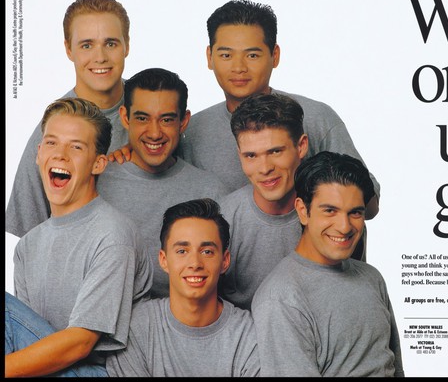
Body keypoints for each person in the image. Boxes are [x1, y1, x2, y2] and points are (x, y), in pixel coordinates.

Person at [179, 0, 381, 220]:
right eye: (226, 55)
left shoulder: (315, 118)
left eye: (252, 55)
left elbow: (369, 208)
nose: (238, 67)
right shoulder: (193, 131)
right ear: (209, 57)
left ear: (275, 55)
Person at [4, 97, 153, 378]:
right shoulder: (28, 246)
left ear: (98, 164)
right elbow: (26, 338)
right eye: (51, 142)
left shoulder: (112, 234)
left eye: (75, 147)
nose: (60, 155)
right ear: (38, 153)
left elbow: (81, 343)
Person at [251, 151, 404, 377]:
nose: (344, 226)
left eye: (355, 213)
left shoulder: (372, 278)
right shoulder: (281, 298)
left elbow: (396, 369)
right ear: (303, 211)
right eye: (330, 211)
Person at [6, 0, 131, 238]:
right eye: (87, 45)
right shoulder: (51, 132)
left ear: (127, 44)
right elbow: (29, 237)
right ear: (68, 49)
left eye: (111, 43)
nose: (100, 57)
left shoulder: (152, 112)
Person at [96, 68, 229, 298]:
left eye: (166, 119)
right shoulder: (97, 182)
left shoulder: (211, 191)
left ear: (184, 121)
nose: (155, 133)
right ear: (125, 118)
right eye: (142, 118)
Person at [106, 198, 260, 377]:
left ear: (225, 261)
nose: (195, 263)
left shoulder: (249, 334)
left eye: (207, 252)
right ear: (164, 260)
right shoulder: (137, 328)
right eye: (182, 251)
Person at [218, 92, 308, 310]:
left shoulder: (332, 218)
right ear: (239, 155)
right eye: (251, 156)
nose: (265, 168)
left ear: (301, 146)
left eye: (275, 151)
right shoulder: (221, 219)